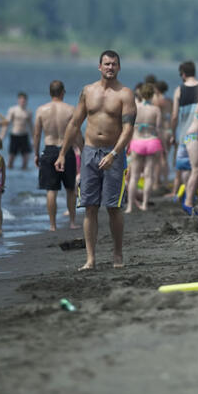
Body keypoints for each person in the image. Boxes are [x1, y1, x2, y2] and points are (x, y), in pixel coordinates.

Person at [59, 50, 136, 270]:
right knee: (89, 207)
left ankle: (117, 255)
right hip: (90, 153)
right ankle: (90, 259)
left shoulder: (125, 94)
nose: (110, 67)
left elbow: (129, 128)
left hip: (114, 152)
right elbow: (75, 123)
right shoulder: (87, 91)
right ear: (99, 67)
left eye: (114, 64)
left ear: (119, 67)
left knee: (114, 207)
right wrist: (63, 153)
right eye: (106, 64)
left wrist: (114, 154)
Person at [33, 80, 78, 231]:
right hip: (66, 150)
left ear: (50, 92)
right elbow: (76, 132)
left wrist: (35, 154)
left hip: (49, 149)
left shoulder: (41, 110)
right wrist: (83, 149)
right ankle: (72, 222)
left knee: (51, 190)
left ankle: (52, 225)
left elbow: (37, 134)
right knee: (70, 188)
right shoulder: (71, 109)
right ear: (62, 92)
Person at [126, 83, 162, 214]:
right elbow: (158, 129)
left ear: (140, 94)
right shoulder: (156, 110)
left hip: (137, 142)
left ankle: (130, 206)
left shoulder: (135, 108)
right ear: (152, 95)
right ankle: (145, 204)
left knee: (134, 176)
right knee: (148, 175)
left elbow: (128, 127)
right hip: (151, 141)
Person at [171, 61, 198, 194]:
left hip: (184, 133)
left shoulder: (179, 90)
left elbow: (174, 116)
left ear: (183, 74)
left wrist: (172, 133)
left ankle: (187, 192)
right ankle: (196, 191)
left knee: (185, 166)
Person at [4, 93, 33, 170]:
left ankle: (23, 177)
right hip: (14, 135)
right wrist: (2, 136)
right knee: (11, 158)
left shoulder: (28, 112)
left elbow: (31, 126)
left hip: (24, 135)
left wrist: (33, 138)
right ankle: (10, 176)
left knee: (25, 159)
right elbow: (7, 124)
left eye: (24, 100)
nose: (22, 101)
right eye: (21, 99)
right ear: (18, 100)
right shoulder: (13, 110)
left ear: (26, 101)